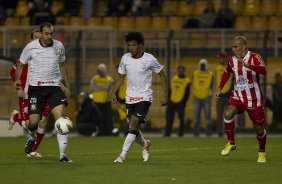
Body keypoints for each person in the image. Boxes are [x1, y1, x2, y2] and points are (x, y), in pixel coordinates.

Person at [14, 22, 72, 162]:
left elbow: (63, 66)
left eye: (51, 33)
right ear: (40, 34)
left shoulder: (59, 46)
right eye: (46, 34)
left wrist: (67, 85)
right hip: (36, 90)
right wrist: (18, 81)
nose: (49, 36)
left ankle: (63, 156)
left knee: (61, 120)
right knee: (33, 123)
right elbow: (20, 65)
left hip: (54, 88)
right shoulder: (31, 47)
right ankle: (31, 136)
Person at [111, 31, 168, 163]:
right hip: (130, 97)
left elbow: (163, 75)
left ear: (140, 45)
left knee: (133, 123)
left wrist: (165, 95)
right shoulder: (125, 58)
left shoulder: (150, 59)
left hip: (144, 97)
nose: (131, 48)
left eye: (133, 45)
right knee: (133, 128)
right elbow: (120, 77)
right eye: (129, 45)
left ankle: (122, 155)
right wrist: (114, 92)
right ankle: (145, 144)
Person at [215, 36, 267, 163]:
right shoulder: (232, 60)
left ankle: (261, 152)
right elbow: (227, 72)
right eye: (232, 46)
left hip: (254, 99)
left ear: (243, 46)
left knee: (259, 129)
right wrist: (219, 88)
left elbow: (264, 70)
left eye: (236, 46)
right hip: (238, 96)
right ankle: (231, 142)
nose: (233, 49)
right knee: (228, 113)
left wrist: (249, 66)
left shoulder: (255, 57)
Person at [9, 28, 49, 157]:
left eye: (40, 37)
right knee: (31, 123)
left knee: (43, 120)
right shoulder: (26, 55)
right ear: (31, 40)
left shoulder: (47, 55)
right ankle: (16, 117)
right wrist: (19, 87)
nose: (38, 39)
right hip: (28, 94)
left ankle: (32, 150)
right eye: (35, 37)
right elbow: (13, 70)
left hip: (44, 92)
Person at [164, 65, 191, 137]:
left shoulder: (187, 81)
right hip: (171, 101)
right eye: (179, 70)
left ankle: (181, 133)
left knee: (181, 118)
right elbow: (170, 90)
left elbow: (187, 93)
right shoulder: (174, 79)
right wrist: (168, 99)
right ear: (177, 71)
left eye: (182, 70)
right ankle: (167, 133)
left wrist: (184, 102)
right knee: (169, 118)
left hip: (180, 102)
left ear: (184, 71)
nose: (180, 71)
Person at [90, 63, 114, 136]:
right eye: (99, 71)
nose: (100, 72)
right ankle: (98, 132)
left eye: (101, 70)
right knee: (98, 118)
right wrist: (104, 87)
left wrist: (99, 86)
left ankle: (108, 132)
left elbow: (109, 89)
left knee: (107, 118)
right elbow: (93, 87)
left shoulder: (109, 79)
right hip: (96, 102)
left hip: (106, 102)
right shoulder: (95, 78)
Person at [192, 59, 214, 137]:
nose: (202, 65)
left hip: (206, 97)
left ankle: (208, 133)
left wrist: (210, 93)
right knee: (196, 117)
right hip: (197, 97)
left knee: (208, 117)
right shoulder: (195, 73)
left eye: (204, 64)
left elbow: (212, 85)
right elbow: (193, 84)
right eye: (201, 64)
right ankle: (195, 133)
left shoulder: (210, 74)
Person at [215, 51, 232, 137]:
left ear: (225, 58)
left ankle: (230, 132)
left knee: (229, 115)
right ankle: (220, 132)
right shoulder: (217, 68)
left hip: (228, 95)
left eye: (220, 57)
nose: (219, 59)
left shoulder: (230, 68)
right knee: (219, 115)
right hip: (220, 95)